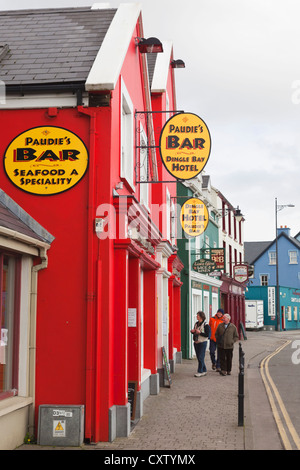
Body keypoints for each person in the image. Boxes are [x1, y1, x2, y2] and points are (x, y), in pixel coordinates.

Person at [190, 311, 211, 377]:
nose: (197, 316)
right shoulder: (196, 323)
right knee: (199, 357)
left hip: (202, 342)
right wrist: (193, 331)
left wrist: (200, 333)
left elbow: (207, 335)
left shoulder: (206, 325)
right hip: (196, 342)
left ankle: (200, 371)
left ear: (201, 317)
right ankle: (204, 370)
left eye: (198, 315)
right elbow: (195, 332)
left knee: (201, 357)